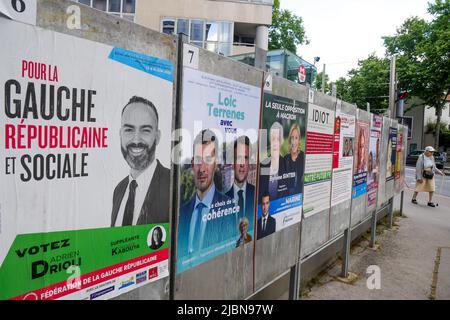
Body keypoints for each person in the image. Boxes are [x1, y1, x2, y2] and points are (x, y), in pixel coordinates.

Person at [111, 96, 170, 227]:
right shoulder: (118, 191)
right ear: (120, 134)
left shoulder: (172, 185)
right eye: (129, 130)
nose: (136, 140)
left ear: (157, 137)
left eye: (145, 130)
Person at [178, 129, 234, 257]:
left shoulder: (228, 208)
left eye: (208, 159)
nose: (202, 169)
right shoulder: (182, 212)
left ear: (216, 164)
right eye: (198, 160)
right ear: (192, 164)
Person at [226, 136, 255, 232]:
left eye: (245, 158)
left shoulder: (256, 194)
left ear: (249, 163)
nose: (242, 164)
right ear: (232, 163)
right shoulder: (223, 200)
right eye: (238, 158)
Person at [259, 122, 287, 201]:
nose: (275, 143)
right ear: (270, 141)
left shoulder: (286, 163)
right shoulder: (264, 164)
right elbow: (261, 190)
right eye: (273, 139)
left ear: (281, 142)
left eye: (278, 139)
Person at [284, 123, 305, 195]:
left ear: (299, 140)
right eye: (292, 138)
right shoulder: (285, 159)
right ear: (289, 140)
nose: (294, 141)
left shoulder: (303, 157)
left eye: (296, 138)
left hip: (299, 198)